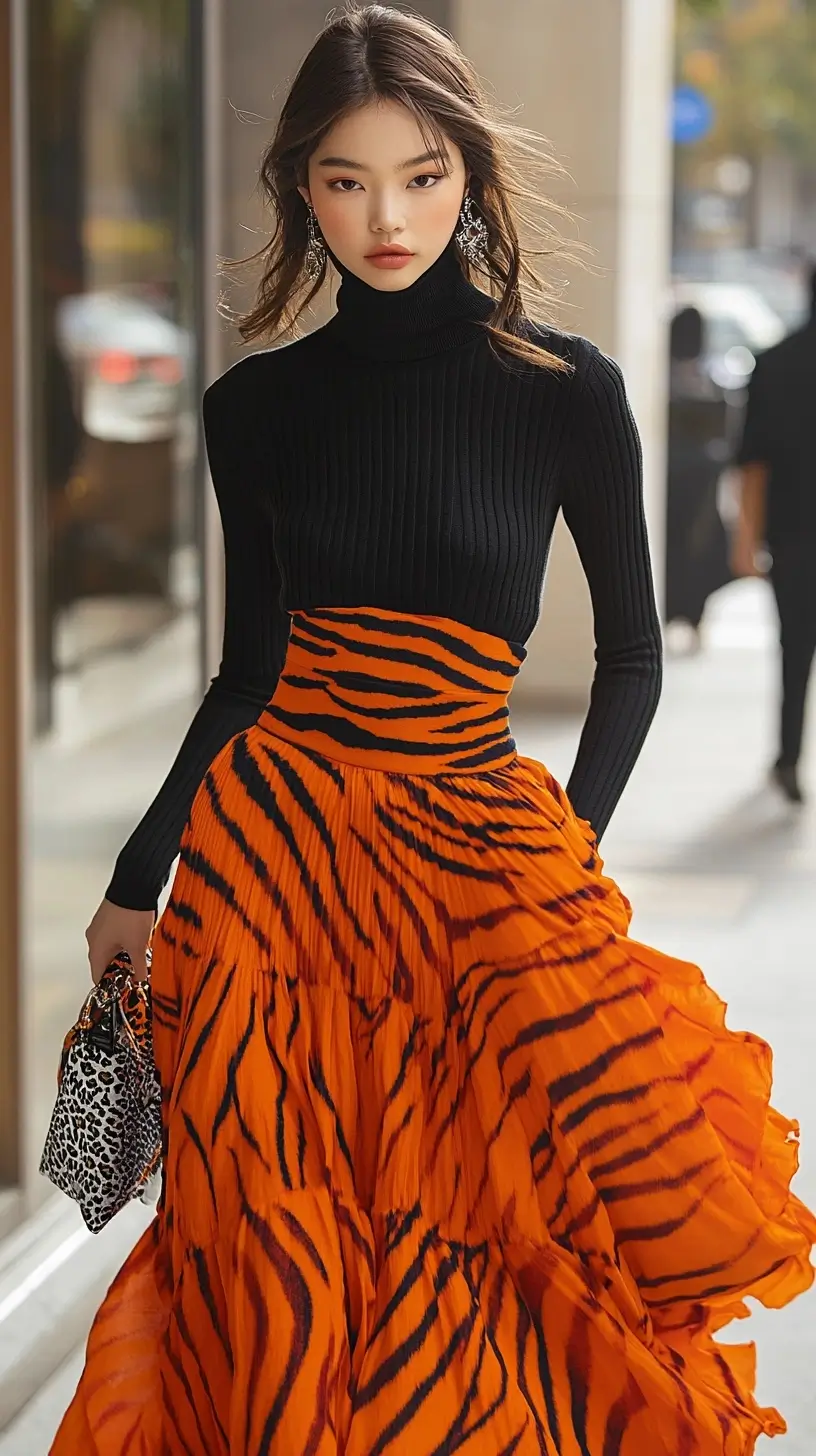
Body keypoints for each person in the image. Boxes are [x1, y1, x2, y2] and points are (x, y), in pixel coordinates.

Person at [53, 7, 815, 1453]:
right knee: (277, 1250)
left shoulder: (566, 392)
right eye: (344, 180)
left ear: (470, 173)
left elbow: (637, 661)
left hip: (478, 879)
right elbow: (246, 670)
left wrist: (559, 866)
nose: (385, 215)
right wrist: (135, 881)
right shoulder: (253, 407)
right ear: (299, 190)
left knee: (501, 1246)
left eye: (419, 175)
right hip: (270, 885)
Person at [733, 264, 816, 806]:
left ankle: (788, 759)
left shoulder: (776, 362)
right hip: (794, 536)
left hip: (793, 537)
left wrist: (746, 540)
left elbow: (753, 464)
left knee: (794, 651)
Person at [665, 306, 731, 650]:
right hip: (700, 480)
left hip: (676, 479)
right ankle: (692, 617)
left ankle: (683, 614)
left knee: (677, 548)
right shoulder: (710, 378)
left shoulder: (664, 376)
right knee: (698, 549)